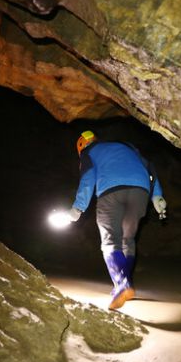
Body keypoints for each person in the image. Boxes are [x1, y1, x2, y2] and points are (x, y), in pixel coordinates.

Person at [67, 130, 167, 310]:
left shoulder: (89, 152)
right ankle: (123, 284)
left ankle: (122, 284)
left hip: (111, 191)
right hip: (140, 191)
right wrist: (157, 196)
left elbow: (88, 178)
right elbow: (150, 169)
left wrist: (78, 207)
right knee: (127, 239)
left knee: (110, 239)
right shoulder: (127, 146)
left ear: (82, 146)